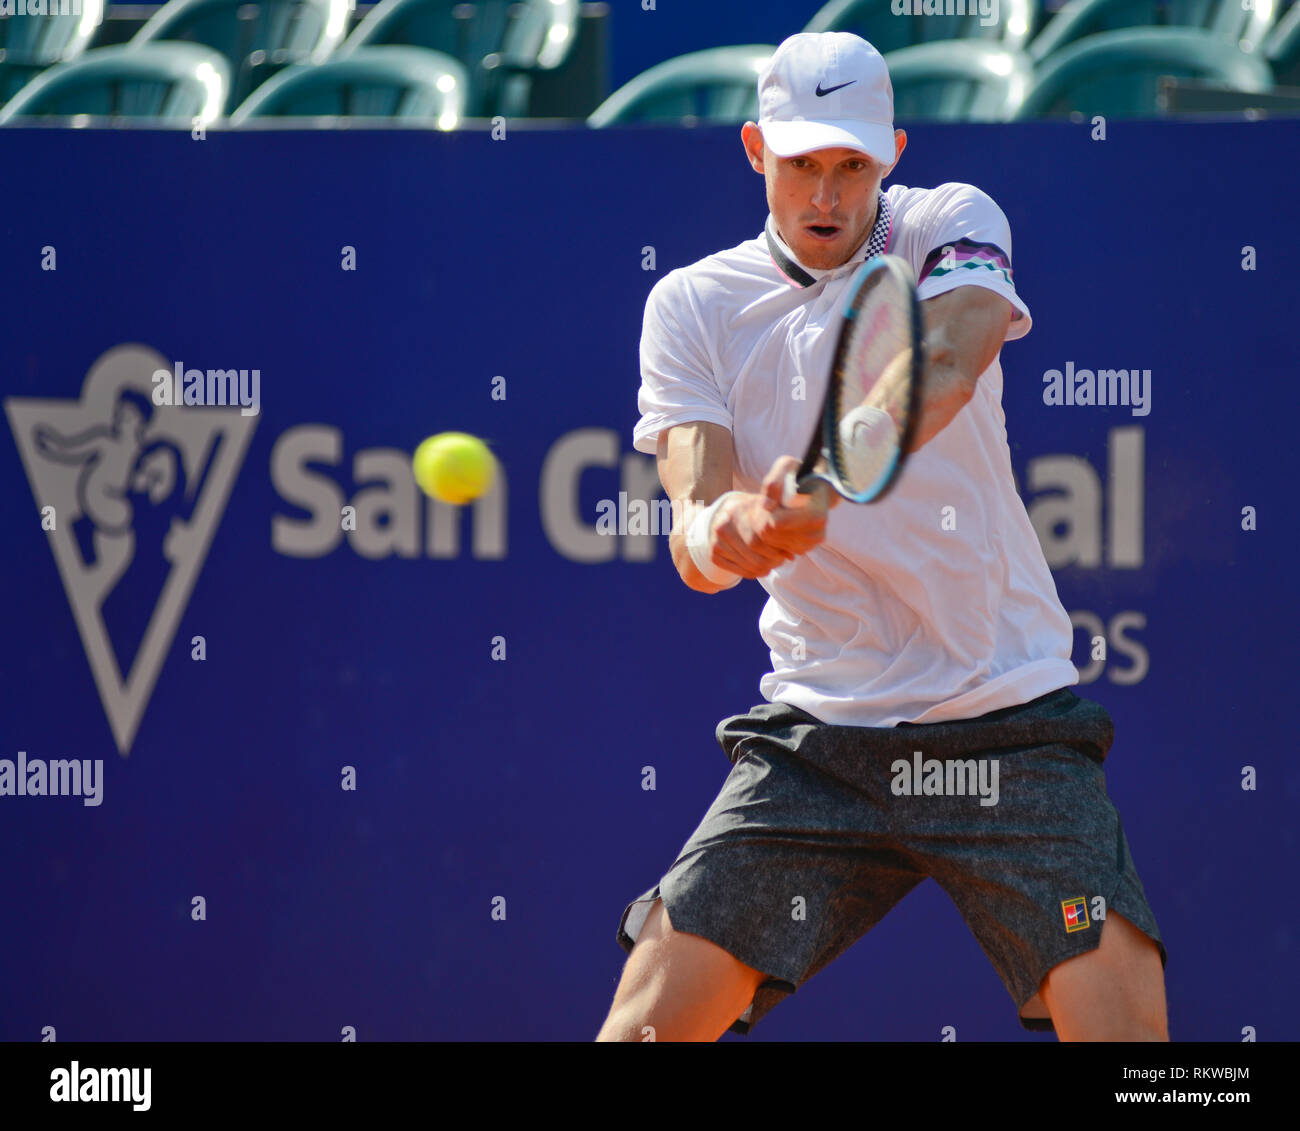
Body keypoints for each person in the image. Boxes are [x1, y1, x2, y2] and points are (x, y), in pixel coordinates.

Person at [596, 32, 1168, 1042]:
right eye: (800, 163)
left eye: (851, 164)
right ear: (753, 150)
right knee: (642, 1029)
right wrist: (731, 529)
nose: (825, 193)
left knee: (1132, 1048)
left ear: (891, 151)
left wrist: (824, 474)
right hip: (820, 744)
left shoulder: (951, 221)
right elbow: (692, 529)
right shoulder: (689, 304)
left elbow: (951, 355)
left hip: (1006, 725)